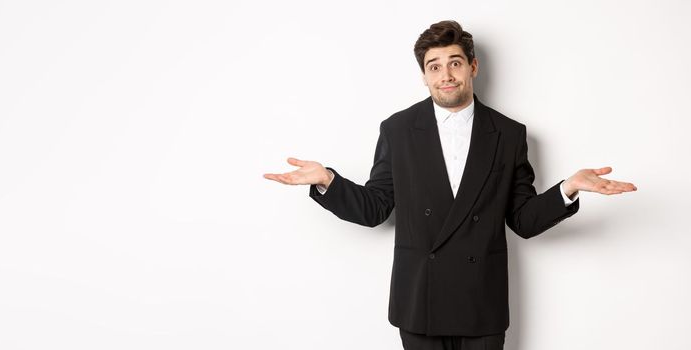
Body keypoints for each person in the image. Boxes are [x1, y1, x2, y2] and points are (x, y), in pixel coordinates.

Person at [263, 20, 637, 350]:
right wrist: (329, 180)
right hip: (420, 299)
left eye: (454, 63)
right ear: (424, 76)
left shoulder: (508, 134)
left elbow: (523, 220)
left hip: (481, 302)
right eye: (435, 66)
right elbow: (376, 207)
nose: (446, 75)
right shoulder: (398, 129)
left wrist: (567, 188)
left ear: (472, 67)